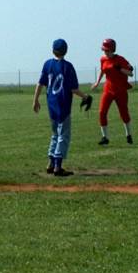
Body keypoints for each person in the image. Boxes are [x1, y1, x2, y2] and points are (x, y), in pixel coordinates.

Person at [33, 39, 90, 176]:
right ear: (66, 51)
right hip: (63, 104)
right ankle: (58, 167)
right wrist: (85, 97)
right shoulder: (68, 67)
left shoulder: (47, 64)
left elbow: (40, 84)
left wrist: (35, 100)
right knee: (63, 135)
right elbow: (74, 89)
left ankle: (50, 163)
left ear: (53, 50)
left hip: (51, 105)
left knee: (55, 135)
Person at [91, 38, 134, 145]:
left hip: (120, 90)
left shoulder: (120, 59)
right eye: (104, 50)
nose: (105, 52)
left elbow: (130, 73)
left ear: (112, 49)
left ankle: (128, 134)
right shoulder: (103, 59)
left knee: (124, 113)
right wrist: (97, 82)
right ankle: (105, 137)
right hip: (108, 89)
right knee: (102, 112)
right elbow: (102, 70)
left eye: (107, 50)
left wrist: (120, 69)